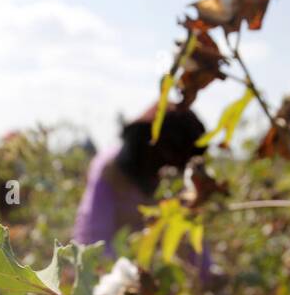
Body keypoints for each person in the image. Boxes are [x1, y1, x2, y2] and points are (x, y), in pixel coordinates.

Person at [73, 105, 206, 250]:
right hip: (114, 262)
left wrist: (209, 271)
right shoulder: (110, 169)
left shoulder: (179, 177)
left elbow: (190, 234)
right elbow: (93, 239)